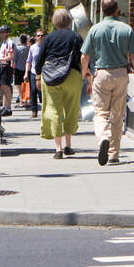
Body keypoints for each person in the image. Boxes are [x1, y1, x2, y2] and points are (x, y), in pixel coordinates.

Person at [81, 0, 134, 166]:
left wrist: (86, 73)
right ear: (117, 9)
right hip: (121, 74)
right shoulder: (126, 29)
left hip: (102, 74)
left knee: (101, 113)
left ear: (102, 11)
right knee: (117, 115)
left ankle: (103, 137)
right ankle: (114, 154)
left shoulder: (95, 29)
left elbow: (85, 56)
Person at [35, 9, 84, 158]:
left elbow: (40, 59)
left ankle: (58, 148)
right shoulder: (76, 36)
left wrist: (38, 76)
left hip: (51, 77)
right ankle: (69, 145)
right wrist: (86, 72)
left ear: (54, 22)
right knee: (71, 109)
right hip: (72, 75)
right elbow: (83, 56)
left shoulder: (49, 38)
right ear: (69, 21)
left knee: (53, 109)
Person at [26, 29, 44, 120]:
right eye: (38, 35)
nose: (40, 37)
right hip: (33, 72)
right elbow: (28, 61)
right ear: (36, 37)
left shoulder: (46, 47)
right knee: (33, 91)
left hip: (44, 73)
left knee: (43, 93)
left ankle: (45, 110)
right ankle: (34, 111)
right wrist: (26, 73)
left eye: (42, 35)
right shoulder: (32, 47)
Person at [0, 26, 15, 115]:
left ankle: (9, 108)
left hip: (7, 66)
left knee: (6, 87)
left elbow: (11, 57)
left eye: (4, 32)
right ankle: (4, 106)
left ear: (8, 33)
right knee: (3, 87)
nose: (2, 34)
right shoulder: (3, 43)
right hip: (2, 66)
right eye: (1, 32)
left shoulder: (9, 43)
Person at [13, 35, 30, 109]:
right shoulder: (28, 48)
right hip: (26, 69)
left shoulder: (17, 48)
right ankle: (26, 101)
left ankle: (21, 101)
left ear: (20, 40)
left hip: (18, 69)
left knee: (19, 86)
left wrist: (13, 68)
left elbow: (15, 60)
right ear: (26, 40)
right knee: (26, 85)